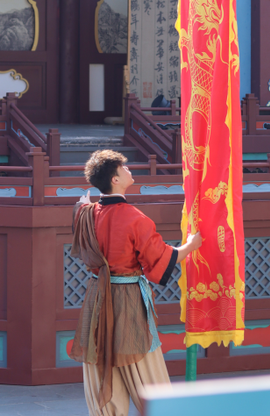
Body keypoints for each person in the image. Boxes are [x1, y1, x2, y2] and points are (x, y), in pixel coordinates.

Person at [70, 149, 202, 416]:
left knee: (100, 362)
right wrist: (190, 245)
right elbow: (160, 258)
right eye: (125, 168)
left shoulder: (85, 213)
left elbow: (83, 231)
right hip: (126, 297)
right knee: (146, 365)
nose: (130, 170)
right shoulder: (135, 219)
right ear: (115, 179)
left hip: (96, 297)